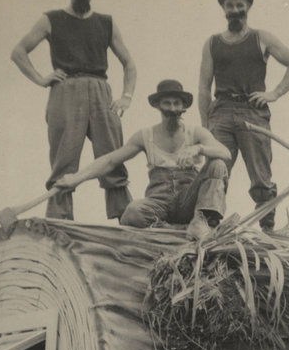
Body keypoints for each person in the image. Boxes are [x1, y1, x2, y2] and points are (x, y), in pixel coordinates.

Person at [11, 0, 136, 221]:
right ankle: (60, 222)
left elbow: (129, 64)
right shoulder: (51, 19)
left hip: (101, 90)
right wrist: (40, 78)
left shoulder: (106, 22)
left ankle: (127, 219)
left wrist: (126, 96)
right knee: (64, 159)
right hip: (66, 90)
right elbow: (19, 52)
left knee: (112, 154)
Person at [54, 80, 231, 241]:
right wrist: (75, 178)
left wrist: (199, 148)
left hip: (188, 202)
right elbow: (110, 161)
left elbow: (225, 153)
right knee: (131, 213)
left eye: (177, 103)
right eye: (167, 103)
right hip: (158, 203)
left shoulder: (196, 133)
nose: (172, 109)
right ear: (158, 106)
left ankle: (200, 221)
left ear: (184, 106)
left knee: (217, 164)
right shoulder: (145, 136)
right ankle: (176, 229)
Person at [198, 0, 289, 231]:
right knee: (216, 170)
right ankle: (209, 230)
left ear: (248, 7)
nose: (234, 10)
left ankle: (267, 230)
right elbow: (203, 87)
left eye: (239, 5)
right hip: (221, 111)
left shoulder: (261, 38)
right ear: (223, 9)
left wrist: (275, 93)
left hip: (252, 112)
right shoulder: (212, 42)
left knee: (261, 175)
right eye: (229, 6)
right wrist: (205, 126)